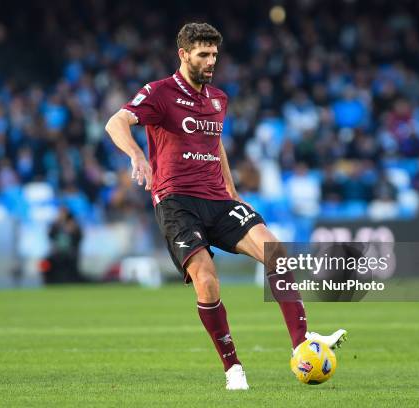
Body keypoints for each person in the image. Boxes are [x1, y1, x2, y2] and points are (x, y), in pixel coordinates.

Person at [105, 22, 346, 390]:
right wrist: (138, 156)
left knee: (275, 250)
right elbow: (116, 121)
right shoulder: (159, 92)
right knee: (207, 279)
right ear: (184, 55)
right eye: (203, 54)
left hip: (218, 199)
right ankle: (233, 368)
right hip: (177, 202)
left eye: (214, 54)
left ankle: (302, 344)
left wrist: (232, 191)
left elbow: (215, 144)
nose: (210, 61)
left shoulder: (218, 98)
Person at [46, 207, 83, 284]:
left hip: (70, 252)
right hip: (57, 253)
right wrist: (56, 225)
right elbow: (50, 236)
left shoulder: (73, 224)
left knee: (69, 263)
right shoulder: (55, 225)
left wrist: (73, 230)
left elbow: (79, 237)